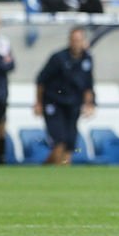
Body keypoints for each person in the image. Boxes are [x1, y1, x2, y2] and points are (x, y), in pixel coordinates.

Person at [34, 27, 95, 165]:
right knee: (59, 143)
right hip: (54, 104)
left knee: (69, 145)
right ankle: (48, 170)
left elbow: (88, 85)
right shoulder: (58, 58)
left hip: (73, 105)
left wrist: (90, 104)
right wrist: (38, 103)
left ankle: (61, 176)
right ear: (69, 41)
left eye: (79, 40)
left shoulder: (87, 59)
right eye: (74, 40)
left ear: (83, 41)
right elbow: (41, 80)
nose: (76, 43)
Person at [0, 12, 14, 164]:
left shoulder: (4, 43)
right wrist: (1, 62)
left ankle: (1, 157)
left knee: (1, 123)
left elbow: (11, 64)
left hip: (0, 90)